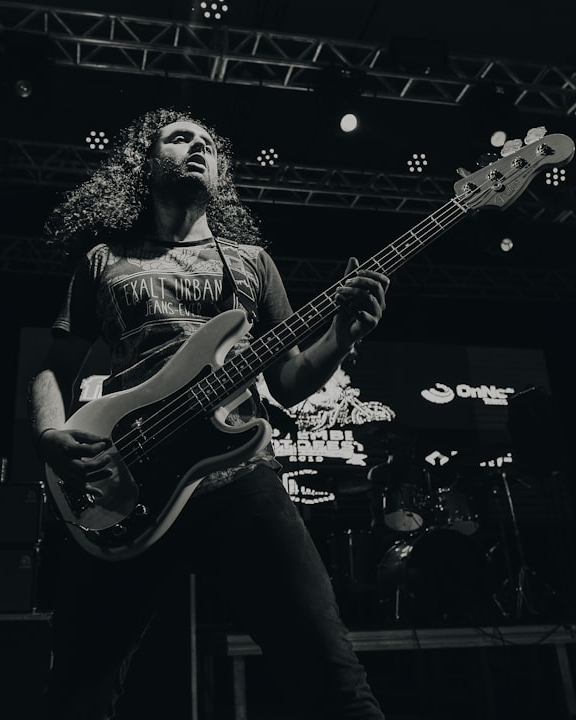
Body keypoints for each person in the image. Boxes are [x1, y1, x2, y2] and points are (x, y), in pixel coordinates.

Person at [30, 107, 390, 720]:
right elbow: (51, 367)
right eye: (179, 138)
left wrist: (342, 336)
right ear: (145, 164)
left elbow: (291, 382)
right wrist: (48, 435)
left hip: (238, 477)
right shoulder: (104, 259)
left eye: (208, 143)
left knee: (331, 674)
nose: (197, 146)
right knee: (80, 690)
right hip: (127, 477)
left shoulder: (252, 263)